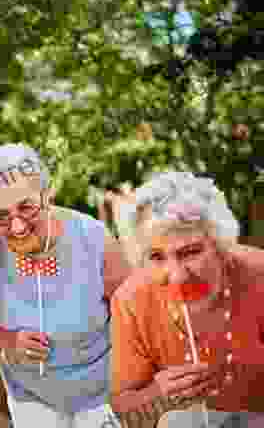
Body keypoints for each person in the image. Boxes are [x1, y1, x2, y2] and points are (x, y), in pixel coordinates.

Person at [0, 143, 131, 428]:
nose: (17, 227)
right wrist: (9, 340)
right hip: (30, 396)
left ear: (47, 196)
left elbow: (132, 318)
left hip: (101, 392)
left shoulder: (94, 238)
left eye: (27, 207)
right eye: (0, 216)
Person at [109, 172, 264, 427]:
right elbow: (124, 416)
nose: (178, 276)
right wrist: (157, 398)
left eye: (190, 252)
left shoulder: (258, 276)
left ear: (220, 244)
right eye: (157, 257)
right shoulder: (131, 302)